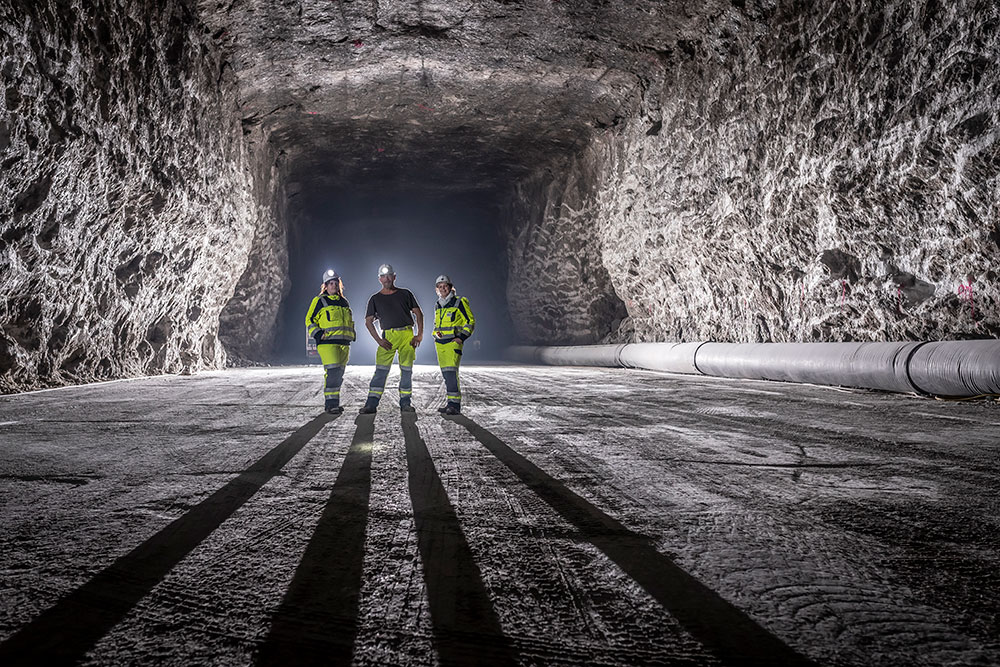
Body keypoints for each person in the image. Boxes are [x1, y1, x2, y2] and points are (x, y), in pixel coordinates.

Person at [359, 263, 424, 414]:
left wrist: (419, 335)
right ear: (379, 279)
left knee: (406, 370)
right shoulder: (375, 299)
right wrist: (379, 341)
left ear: (394, 277)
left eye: (389, 276)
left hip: (407, 334)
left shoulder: (405, 294)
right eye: (383, 276)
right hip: (388, 336)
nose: (386, 278)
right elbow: (368, 321)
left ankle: (405, 403)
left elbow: (418, 314)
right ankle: (371, 404)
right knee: (381, 370)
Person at [305, 269, 356, 414]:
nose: (333, 286)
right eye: (330, 283)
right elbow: (309, 320)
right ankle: (331, 404)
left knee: (339, 374)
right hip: (328, 343)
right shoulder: (320, 301)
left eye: (335, 283)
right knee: (333, 372)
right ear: (325, 286)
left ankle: (333, 403)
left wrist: (352, 334)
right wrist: (318, 333)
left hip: (344, 344)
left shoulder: (344, 302)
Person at [431, 274, 475, 415]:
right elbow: (437, 325)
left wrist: (461, 337)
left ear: (450, 287)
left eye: (445, 286)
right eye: (440, 287)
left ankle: (455, 406)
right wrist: (436, 335)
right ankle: (451, 403)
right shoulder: (438, 305)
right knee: (446, 375)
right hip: (440, 345)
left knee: (451, 374)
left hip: (452, 344)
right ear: (437, 289)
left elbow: (470, 321)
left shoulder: (459, 302)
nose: (443, 289)